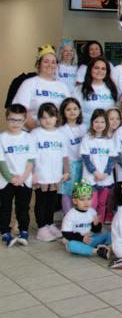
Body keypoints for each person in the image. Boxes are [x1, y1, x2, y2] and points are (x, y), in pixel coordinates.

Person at [32, 103, 70, 241]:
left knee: (51, 201)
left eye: (50, 117)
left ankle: (49, 224)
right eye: (43, 117)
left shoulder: (61, 134)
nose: (47, 120)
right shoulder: (35, 134)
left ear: (56, 117)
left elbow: (65, 155)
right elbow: (30, 156)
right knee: (41, 201)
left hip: (55, 175)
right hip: (40, 175)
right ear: (39, 119)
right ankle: (41, 228)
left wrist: (66, 171)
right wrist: (32, 174)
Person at [0, 104, 36, 247]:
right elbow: (1, 162)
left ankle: (23, 231)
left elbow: (31, 160)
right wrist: (11, 179)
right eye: (12, 120)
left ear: (24, 120)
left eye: (19, 120)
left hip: (24, 180)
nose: (15, 123)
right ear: (7, 119)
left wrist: (23, 177)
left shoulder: (29, 138)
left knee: (23, 207)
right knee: (5, 207)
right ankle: (5, 232)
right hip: (6, 181)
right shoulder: (2, 138)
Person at [13, 44, 70, 129]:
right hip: (31, 132)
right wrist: (39, 133)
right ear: (38, 64)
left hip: (57, 133)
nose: (50, 65)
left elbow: (68, 110)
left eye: (53, 62)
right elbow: (21, 110)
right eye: (46, 61)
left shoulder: (63, 86)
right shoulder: (29, 83)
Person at [61, 180, 112, 259]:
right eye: (82, 199)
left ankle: (107, 248)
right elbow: (66, 233)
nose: (86, 202)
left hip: (91, 239)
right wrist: (82, 238)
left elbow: (96, 230)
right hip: (77, 241)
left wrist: (96, 225)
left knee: (110, 234)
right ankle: (97, 251)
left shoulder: (92, 211)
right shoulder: (70, 214)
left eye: (89, 199)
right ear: (75, 201)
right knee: (71, 245)